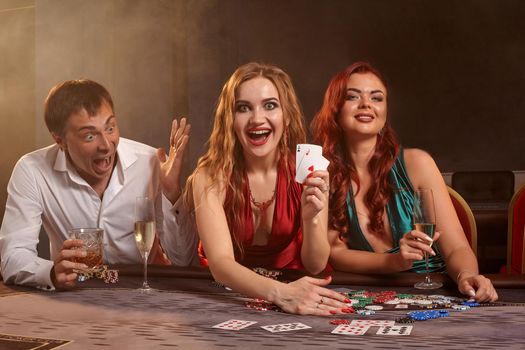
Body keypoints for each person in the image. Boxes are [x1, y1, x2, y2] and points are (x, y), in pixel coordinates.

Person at [311, 62, 498, 302]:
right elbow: (336, 254)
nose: (366, 104)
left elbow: (456, 247)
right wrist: (395, 261)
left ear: (385, 111)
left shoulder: (417, 163)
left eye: (377, 98)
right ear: (335, 108)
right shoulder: (327, 173)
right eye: (352, 96)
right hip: (370, 296)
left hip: (433, 291)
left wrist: (466, 275)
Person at [0, 79, 198, 290]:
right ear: (60, 140)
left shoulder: (151, 163)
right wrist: (50, 273)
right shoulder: (32, 170)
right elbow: (12, 257)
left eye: (110, 128)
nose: (106, 145)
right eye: (89, 135)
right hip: (75, 298)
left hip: (142, 294)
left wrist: (172, 193)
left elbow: (182, 260)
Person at [184, 62, 348, 315]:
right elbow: (220, 264)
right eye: (243, 108)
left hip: (298, 289)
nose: (257, 119)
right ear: (230, 119)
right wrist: (281, 294)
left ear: (287, 115)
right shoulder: (209, 176)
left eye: (270, 105)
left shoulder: (307, 168)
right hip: (230, 297)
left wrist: (311, 217)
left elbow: (315, 266)